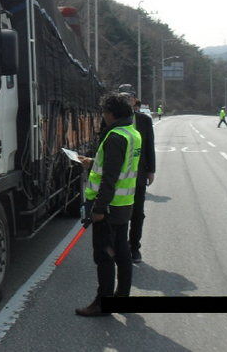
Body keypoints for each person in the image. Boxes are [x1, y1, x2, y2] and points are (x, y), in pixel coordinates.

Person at [75, 92, 142, 317]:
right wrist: (92, 164)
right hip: (125, 204)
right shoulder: (132, 133)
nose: (103, 117)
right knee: (122, 251)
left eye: (104, 112)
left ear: (111, 114)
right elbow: (119, 168)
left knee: (104, 254)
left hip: (109, 206)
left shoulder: (114, 137)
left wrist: (98, 210)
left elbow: (109, 179)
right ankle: (122, 295)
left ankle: (102, 302)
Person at [130, 98, 156, 263]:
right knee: (118, 216)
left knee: (137, 214)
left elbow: (149, 145)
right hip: (118, 178)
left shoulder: (144, 120)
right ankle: (119, 248)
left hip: (139, 175)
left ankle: (134, 248)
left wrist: (151, 170)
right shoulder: (112, 120)